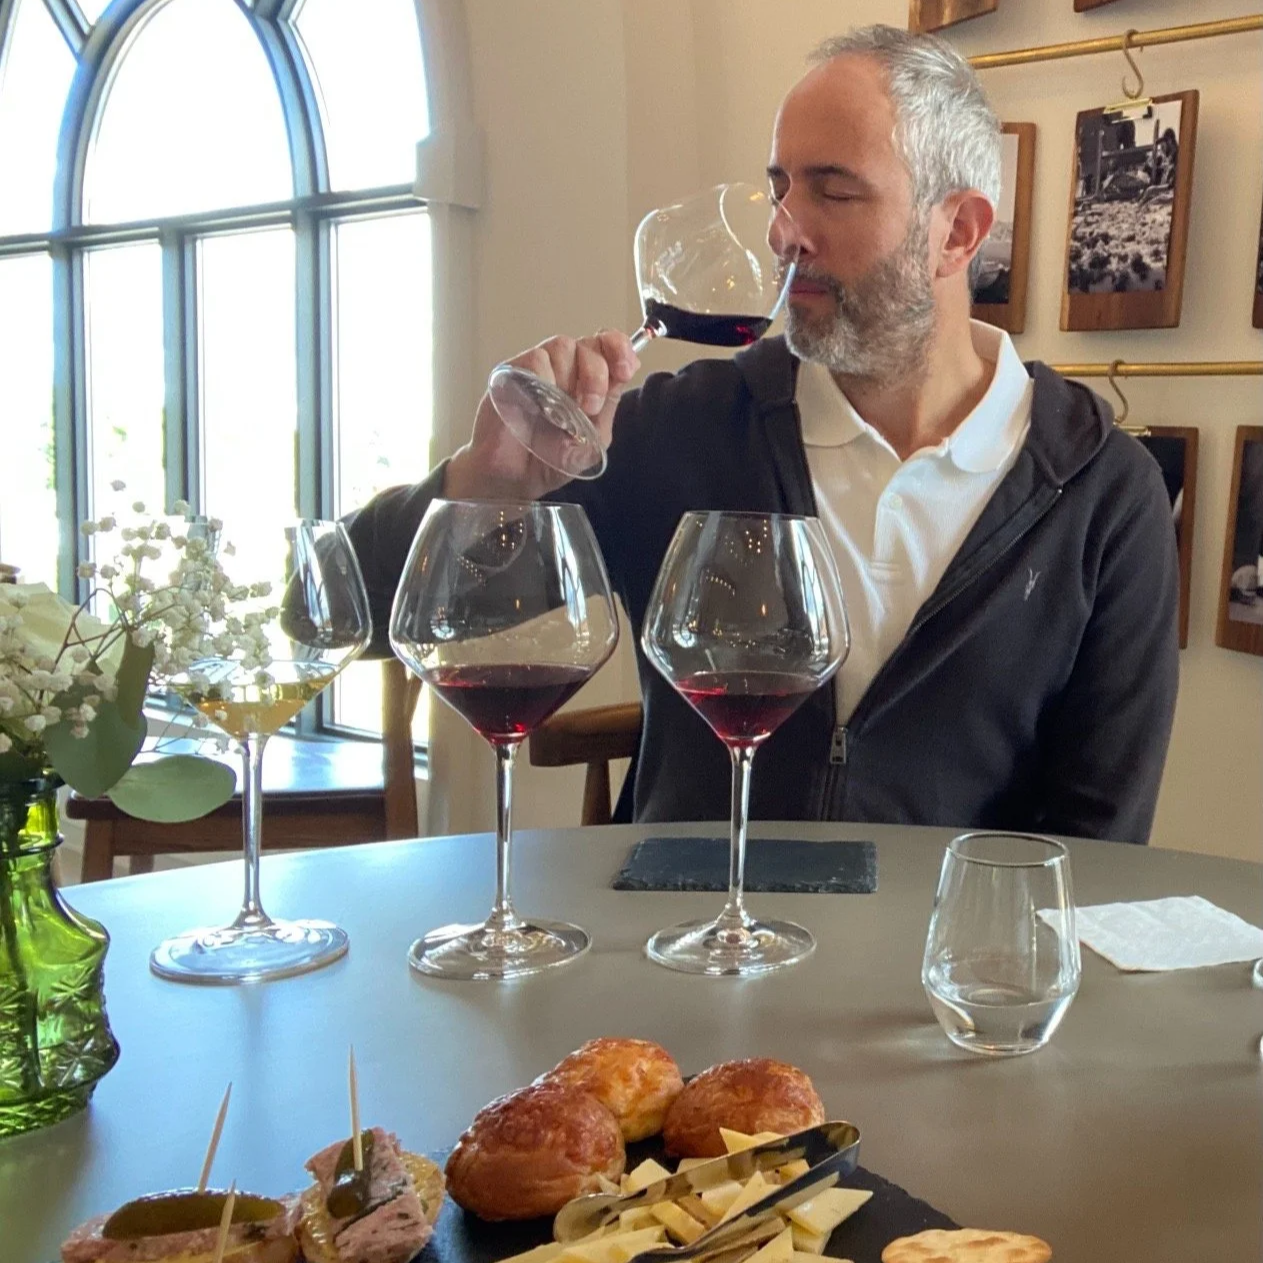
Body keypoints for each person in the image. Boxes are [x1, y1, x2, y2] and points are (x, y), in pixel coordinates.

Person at [344, 25, 1179, 845]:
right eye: (780, 186)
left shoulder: (1103, 491)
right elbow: (353, 610)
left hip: (932, 971)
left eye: (833, 190)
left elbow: (1096, 839)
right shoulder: (676, 432)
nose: (784, 231)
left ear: (957, 232)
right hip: (687, 953)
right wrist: (484, 485)